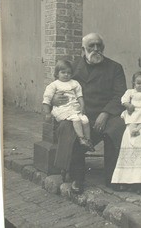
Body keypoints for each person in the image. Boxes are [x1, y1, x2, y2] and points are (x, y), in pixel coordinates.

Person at [53, 33, 127, 193]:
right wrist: (55, 98)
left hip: (106, 115)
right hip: (80, 113)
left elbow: (120, 95)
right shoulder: (72, 67)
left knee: (118, 128)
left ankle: (113, 178)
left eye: (99, 46)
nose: (95, 49)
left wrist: (105, 113)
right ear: (83, 49)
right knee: (68, 127)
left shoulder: (115, 67)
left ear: (103, 47)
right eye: (91, 46)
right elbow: (58, 87)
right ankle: (77, 177)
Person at [42, 60, 95, 152]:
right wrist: (47, 113)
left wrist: (82, 106)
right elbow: (47, 99)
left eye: (69, 73)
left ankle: (88, 140)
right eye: (63, 72)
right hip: (62, 109)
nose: (66, 75)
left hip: (74, 108)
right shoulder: (53, 85)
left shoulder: (74, 83)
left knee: (85, 119)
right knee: (76, 119)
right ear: (57, 73)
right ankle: (81, 138)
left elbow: (79, 96)